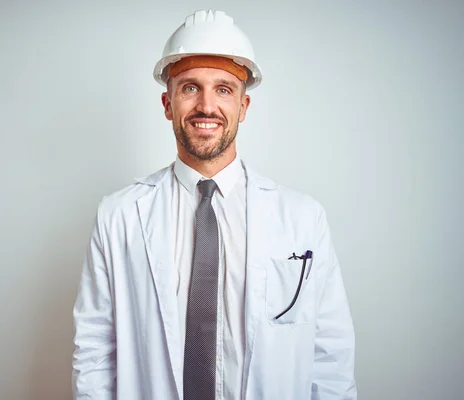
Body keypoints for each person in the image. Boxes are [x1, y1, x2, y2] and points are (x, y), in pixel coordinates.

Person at [72, 9, 356, 400]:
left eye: (224, 89)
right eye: (190, 87)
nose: (207, 106)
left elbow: (331, 360)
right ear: (167, 103)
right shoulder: (117, 216)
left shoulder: (304, 219)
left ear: (243, 107)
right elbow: (94, 355)